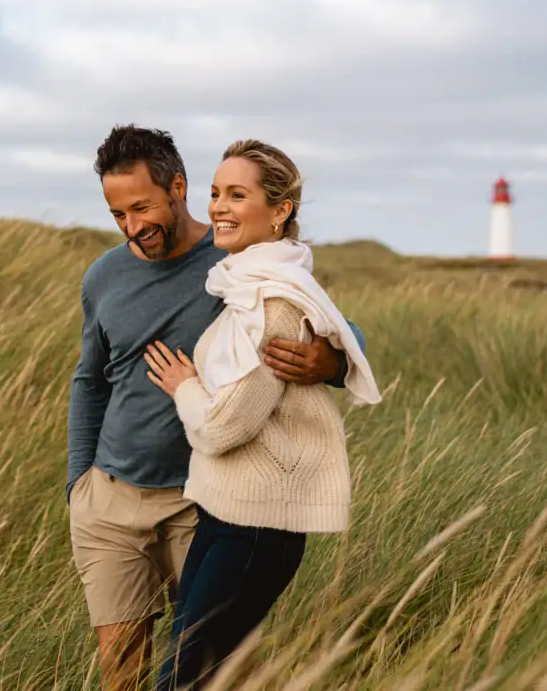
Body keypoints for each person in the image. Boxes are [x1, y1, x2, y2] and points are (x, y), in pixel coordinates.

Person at [66, 125, 369, 690]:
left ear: (177, 187)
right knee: (122, 668)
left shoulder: (237, 259)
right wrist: (78, 481)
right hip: (109, 499)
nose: (132, 228)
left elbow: (332, 325)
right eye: (118, 215)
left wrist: (328, 363)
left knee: (210, 669)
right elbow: (89, 380)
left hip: (202, 499)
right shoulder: (104, 276)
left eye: (142, 208)